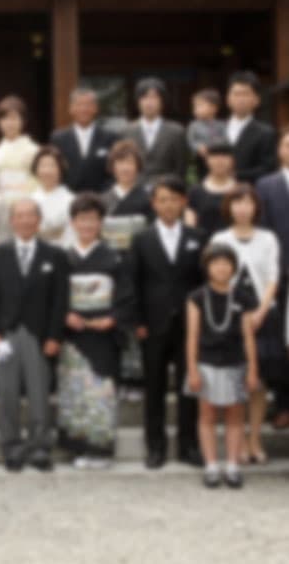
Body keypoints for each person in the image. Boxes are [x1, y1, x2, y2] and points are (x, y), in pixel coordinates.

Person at [0, 199, 69, 472]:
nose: (25, 220)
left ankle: (41, 446)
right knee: (7, 394)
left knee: (39, 393)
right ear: (12, 221)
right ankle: (11, 446)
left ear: (38, 220)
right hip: (7, 335)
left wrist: (55, 336)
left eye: (30, 215)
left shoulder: (54, 255)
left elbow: (60, 300)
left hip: (40, 334)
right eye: (19, 216)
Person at [130, 175, 204, 469]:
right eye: (162, 199)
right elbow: (133, 282)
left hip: (190, 325)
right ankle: (156, 447)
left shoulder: (197, 237)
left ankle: (189, 445)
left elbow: (203, 283)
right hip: (153, 323)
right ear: (153, 204)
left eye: (174, 199)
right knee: (155, 387)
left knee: (189, 387)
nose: (169, 205)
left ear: (184, 202)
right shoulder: (142, 239)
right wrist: (136, 320)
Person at [58, 194, 134, 469]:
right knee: (76, 391)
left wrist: (113, 318)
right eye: (81, 219)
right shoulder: (63, 258)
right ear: (73, 223)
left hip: (103, 334)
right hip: (73, 335)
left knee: (101, 392)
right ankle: (79, 447)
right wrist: (64, 314)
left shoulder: (114, 257)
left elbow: (126, 296)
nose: (87, 224)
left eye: (92, 219)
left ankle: (100, 449)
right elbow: (55, 296)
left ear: (101, 222)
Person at [211, 185, 280, 464]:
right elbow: (215, 277)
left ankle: (255, 440)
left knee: (259, 381)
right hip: (229, 316)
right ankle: (236, 443)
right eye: (236, 203)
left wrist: (261, 311)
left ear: (256, 207)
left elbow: (273, 277)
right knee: (236, 380)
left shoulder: (268, 238)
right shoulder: (220, 238)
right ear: (229, 207)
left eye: (247, 203)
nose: (242, 208)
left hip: (264, 316)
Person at [185, 244, 258, 489]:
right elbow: (192, 336)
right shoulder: (196, 297)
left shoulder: (243, 297)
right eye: (216, 263)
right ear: (207, 267)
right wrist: (192, 369)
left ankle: (233, 465)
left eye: (226, 263)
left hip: (235, 362)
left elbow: (248, 336)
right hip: (206, 363)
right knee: (206, 415)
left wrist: (253, 369)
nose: (221, 268)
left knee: (235, 416)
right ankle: (212, 465)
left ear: (234, 268)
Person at [100, 139, 152, 399]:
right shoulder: (103, 199)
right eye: (120, 162)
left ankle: (137, 379)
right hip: (111, 268)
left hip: (140, 267)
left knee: (136, 322)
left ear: (138, 166)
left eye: (130, 163)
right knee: (114, 323)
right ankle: (117, 376)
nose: (125, 168)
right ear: (112, 166)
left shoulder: (148, 198)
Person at [254, 127, 289, 429]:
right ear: (280, 150)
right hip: (279, 276)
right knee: (277, 344)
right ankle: (282, 403)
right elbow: (263, 231)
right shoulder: (266, 186)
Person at [122, 77, 188, 185]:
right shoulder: (126, 132)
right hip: (134, 190)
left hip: (166, 192)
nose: (149, 102)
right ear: (138, 101)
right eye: (145, 97)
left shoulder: (176, 131)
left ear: (162, 101)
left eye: (154, 97)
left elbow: (180, 168)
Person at [50, 87, 116, 193]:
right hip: (68, 198)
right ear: (71, 108)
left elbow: (114, 171)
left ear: (95, 108)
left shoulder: (110, 137)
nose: (84, 109)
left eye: (88, 105)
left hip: (101, 199)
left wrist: (105, 195)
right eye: (79, 104)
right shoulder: (58, 138)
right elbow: (55, 170)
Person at [225, 71, 276, 184]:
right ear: (228, 98)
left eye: (245, 94)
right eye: (236, 94)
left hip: (250, 194)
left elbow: (268, 168)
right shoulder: (216, 129)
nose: (240, 99)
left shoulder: (265, 132)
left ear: (257, 100)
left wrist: (236, 175)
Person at [0, 95, 39, 205]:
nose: (9, 123)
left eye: (14, 118)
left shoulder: (34, 150)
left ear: (23, 120)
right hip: (1, 206)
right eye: (4, 118)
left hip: (26, 205)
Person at [185, 142, 236, 238]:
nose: (220, 160)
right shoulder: (195, 191)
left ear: (232, 160)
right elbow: (190, 227)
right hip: (204, 247)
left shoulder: (240, 190)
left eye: (224, 156)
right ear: (207, 160)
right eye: (214, 156)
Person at [30, 145, 74, 247]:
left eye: (52, 166)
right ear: (36, 169)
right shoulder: (30, 200)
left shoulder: (71, 200)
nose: (47, 171)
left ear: (60, 169)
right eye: (43, 166)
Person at [187, 88, 225, 178]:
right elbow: (191, 141)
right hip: (201, 160)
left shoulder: (222, 125)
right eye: (195, 106)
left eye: (200, 105)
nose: (196, 109)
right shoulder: (194, 126)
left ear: (213, 108)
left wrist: (217, 146)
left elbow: (225, 139)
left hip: (218, 158)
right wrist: (198, 148)